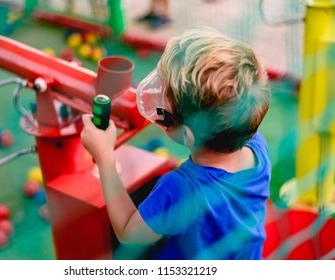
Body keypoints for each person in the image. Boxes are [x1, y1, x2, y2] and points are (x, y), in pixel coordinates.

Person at [81, 27, 271, 259]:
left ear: (187, 135)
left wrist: (105, 157)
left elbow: (129, 234)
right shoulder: (257, 146)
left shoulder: (181, 188)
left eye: (163, 104)